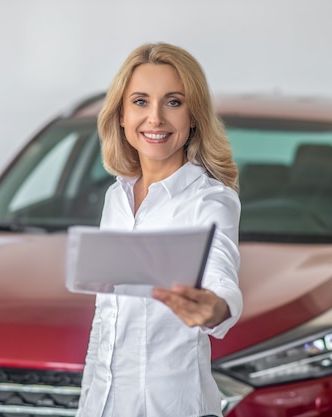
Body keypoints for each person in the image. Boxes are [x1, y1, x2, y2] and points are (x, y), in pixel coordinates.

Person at [76, 42, 242, 417]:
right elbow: (107, 321)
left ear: (194, 116)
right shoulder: (116, 197)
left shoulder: (209, 200)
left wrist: (215, 306)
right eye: (140, 101)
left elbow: (221, 271)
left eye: (173, 102)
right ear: (120, 115)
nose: (155, 118)